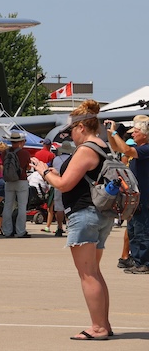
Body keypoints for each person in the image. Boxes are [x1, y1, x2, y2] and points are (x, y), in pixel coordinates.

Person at [31, 100, 114, 341]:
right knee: (95, 272)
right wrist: (50, 171)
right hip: (99, 214)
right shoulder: (103, 146)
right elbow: (73, 178)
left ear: (81, 128)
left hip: (84, 214)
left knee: (87, 274)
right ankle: (104, 324)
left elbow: (64, 184)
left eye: (71, 132)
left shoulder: (86, 149)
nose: (70, 137)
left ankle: (97, 327)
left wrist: (43, 172)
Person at [106, 116, 149, 274]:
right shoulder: (139, 148)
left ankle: (144, 262)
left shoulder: (145, 149)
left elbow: (125, 150)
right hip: (136, 196)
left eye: (136, 132)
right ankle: (138, 261)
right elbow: (116, 147)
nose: (133, 135)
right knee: (133, 230)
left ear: (145, 134)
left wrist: (116, 133)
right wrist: (111, 132)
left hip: (144, 197)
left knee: (142, 231)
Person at [1, 132, 33, 238]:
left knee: (8, 206)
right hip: (21, 180)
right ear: (20, 141)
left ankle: (7, 230)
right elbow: (27, 167)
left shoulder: (4, 153)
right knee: (22, 206)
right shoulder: (24, 153)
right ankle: (20, 231)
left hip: (9, 181)